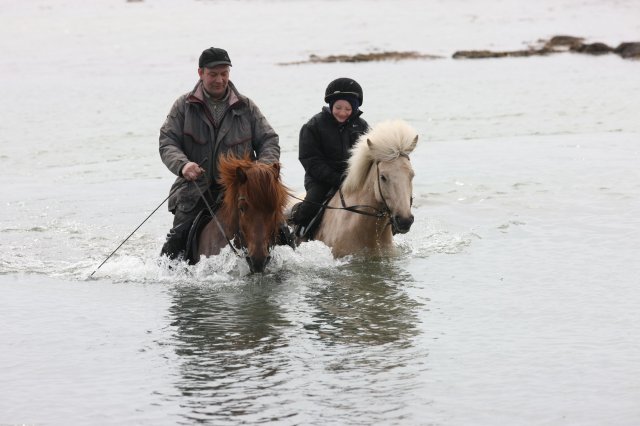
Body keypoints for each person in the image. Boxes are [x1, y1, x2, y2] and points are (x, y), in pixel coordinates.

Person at [159, 47, 280, 259]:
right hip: (195, 188)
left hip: (242, 188)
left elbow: (269, 140)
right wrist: (183, 165)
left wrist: (262, 169)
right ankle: (170, 274)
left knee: (282, 230)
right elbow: (167, 142)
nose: (219, 79)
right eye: (213, 74)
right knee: (177, 240)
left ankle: (288, 267)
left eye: (224, 74)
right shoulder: (183, 106)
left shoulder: (246, 106)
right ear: (200, 73)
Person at [290, 77, 369, 237]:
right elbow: (309, 159)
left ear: (354, 109)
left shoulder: (362, 126)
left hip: (353, 179)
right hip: (320, 180)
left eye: (348, 109)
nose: (342, 113)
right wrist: (336, 178)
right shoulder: (313, 126)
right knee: (310, 208)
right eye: (338, 107)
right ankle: (297, 230)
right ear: (331, 105)